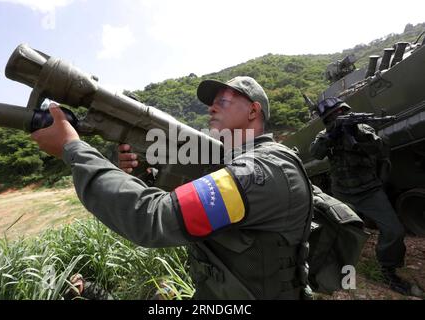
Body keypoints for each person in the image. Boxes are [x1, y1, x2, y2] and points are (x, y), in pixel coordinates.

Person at [31, 76, 313, 299]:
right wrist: (141, 170)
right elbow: (177, 199)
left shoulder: (257, 172)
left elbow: (151, 218)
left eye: (224, 101)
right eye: (212, 103)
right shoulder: (233, 164)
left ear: (253, 110)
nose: (212, 108)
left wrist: (74, 149)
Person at [309, 97, 411, 295]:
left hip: (369, 191)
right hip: (343, 193)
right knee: (341, 234)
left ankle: (388, 268)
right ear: (328, 120)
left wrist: (358, 135)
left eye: (341, 112)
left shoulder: (363, 128)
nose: (340, 116)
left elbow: (381, 148)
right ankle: (338, 269)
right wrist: (332, 134)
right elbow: (316, 153)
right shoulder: (325, 134)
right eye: (333, 116)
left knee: (394, 231)